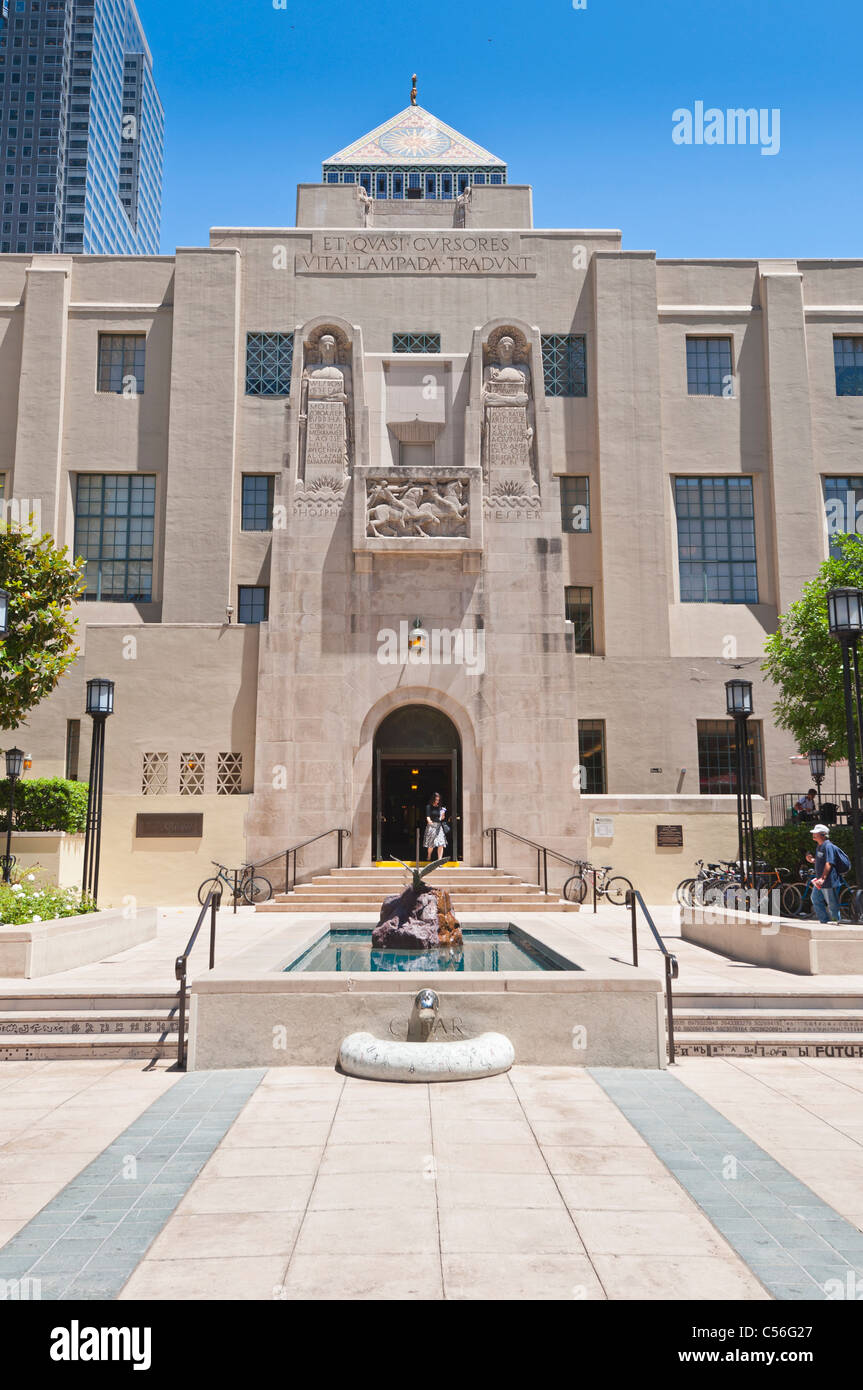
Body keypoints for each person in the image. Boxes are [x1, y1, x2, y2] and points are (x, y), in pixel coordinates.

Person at [806, 824, 847, 924]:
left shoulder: (828, 846)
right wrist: (812, 860)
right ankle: (825, 921)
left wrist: (823, 878)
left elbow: (829, 863)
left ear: (823, 834)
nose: (813, 834)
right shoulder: (820, 846)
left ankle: (835, 921)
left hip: (827, 880)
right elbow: (822, 861)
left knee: (831, 902)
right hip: (820, 880)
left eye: (816, 833)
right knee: (815, 898)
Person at [423, 791, 448, 862]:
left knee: (441, 843)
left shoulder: (440, 808)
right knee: (431, 844)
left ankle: (439, 860)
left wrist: (443, 815)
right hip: (431, 826)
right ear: (433, 799)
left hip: (439, 826)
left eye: (438, 800)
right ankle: (429, 856)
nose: (437, 801)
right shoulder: (429, 807)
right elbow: (427, 817)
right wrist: (429, 821)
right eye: (436, 800)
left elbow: (442, 818)